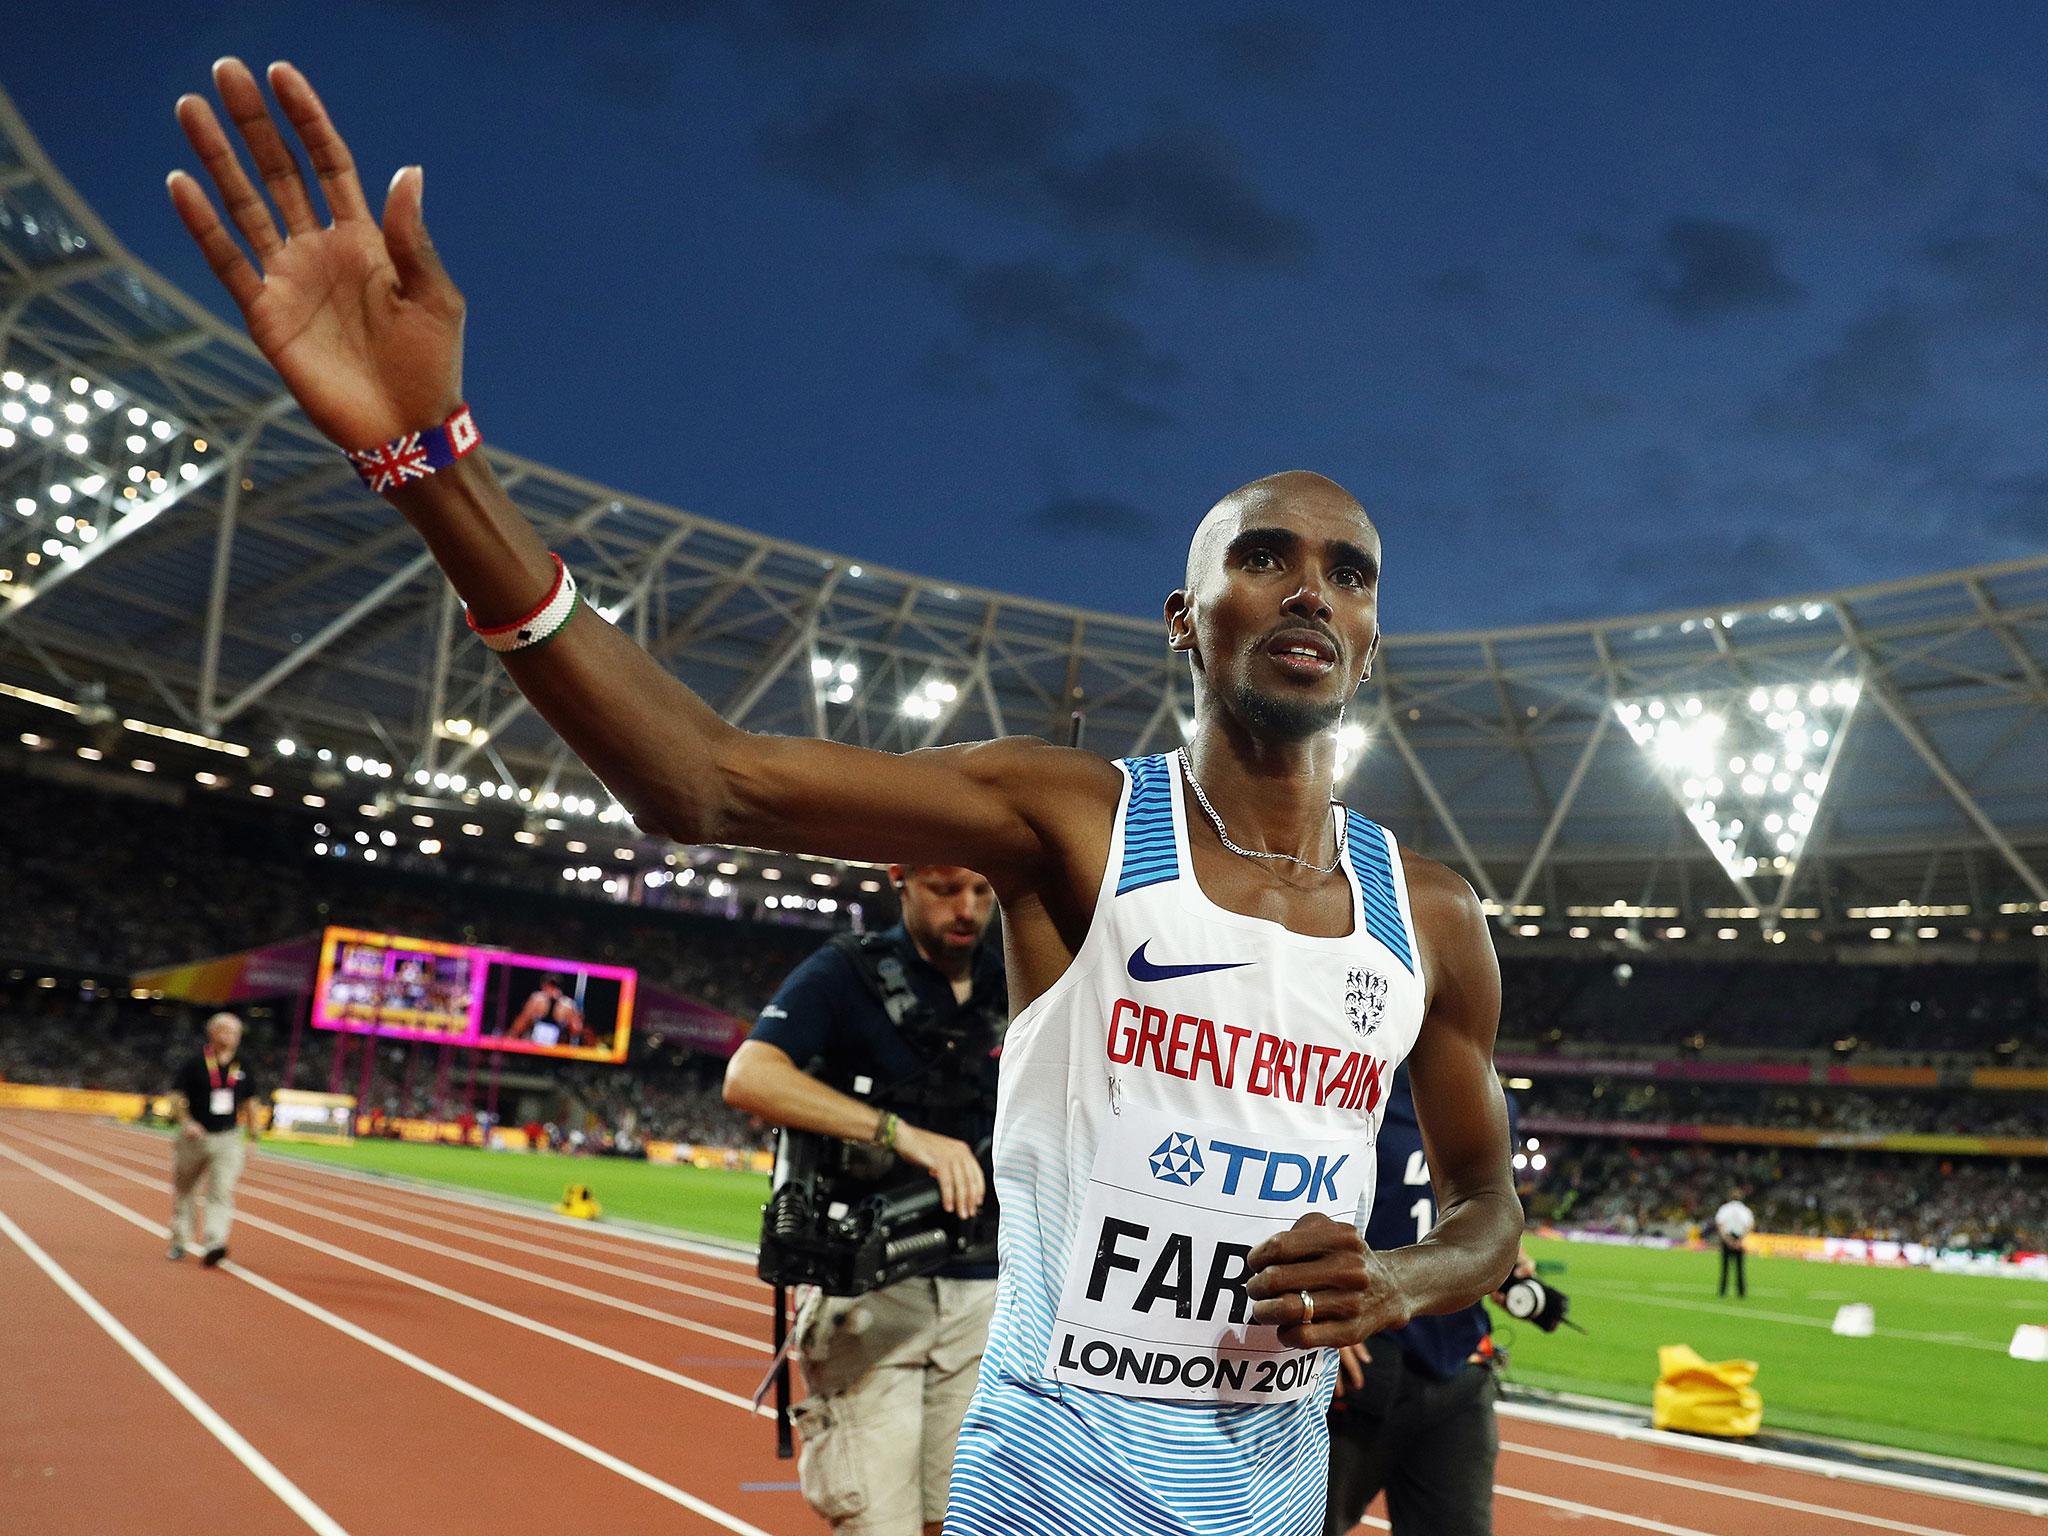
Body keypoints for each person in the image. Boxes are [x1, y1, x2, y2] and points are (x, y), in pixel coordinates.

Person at [163, 62, 1521, 1536]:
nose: (1311, 586)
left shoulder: (1430, 919)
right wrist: (426, 464)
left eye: (1350, 572)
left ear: (1373, 639)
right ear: (1185, 621)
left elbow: (1489, 1205)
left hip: (1273, 1494)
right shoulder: (1071, 822)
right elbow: (703, 779)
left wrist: (1403, 1277)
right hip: (1056, 1488)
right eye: (1265, 556)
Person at [723, 864, 1006, 1536]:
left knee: (962, 1520)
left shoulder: (1014, 977)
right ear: (900, 878)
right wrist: (898, 1134)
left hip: (987, 1288)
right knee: (879, 1525)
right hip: (872, 1291)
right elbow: (749, 1076)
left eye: (982, 891)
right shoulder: (846, 972)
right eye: (945, 890)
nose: (966, 909)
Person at [1323, 1066, 1529, 1535]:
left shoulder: (1486, 1091)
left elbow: (1483, 1211)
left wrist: (1500, 1261)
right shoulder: (1341, 1072)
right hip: (1359, 1364)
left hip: (1457, 1362)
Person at [166, 1011, 260, 1266]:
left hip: (228, 1138)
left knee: (221, 1191)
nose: (232, 1037)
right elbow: (175, 1097)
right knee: (185, 1190)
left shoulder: (244, 1065)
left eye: (236, 1033)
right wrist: (186, 1122)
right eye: (226, 1031)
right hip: (195, 1137)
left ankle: (214, 1243)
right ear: (212, 1033)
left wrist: (253, 1137)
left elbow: (251, 1103)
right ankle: (179, 1241)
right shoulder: (195, 1062)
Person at [506, 975, 585, 1046]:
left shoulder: (538, 1000)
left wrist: (510, 1036)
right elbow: (523, 1020)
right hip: (539, 1045)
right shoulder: (538, 999)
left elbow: (576, 1030)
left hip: (553, 1048)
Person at [1713, 1188, 1754, 1298]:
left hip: (1727, 1237)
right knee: (1740, 1268)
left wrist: (1728, 1241)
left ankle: (1722, 1291)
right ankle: (1741, 1292)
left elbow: (1720, 1225)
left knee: (1725, 1267)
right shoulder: (1745, 1210)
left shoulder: (1724, 1209)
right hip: (1739, 1238)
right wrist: (1740, 1241)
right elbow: (1750, 1226)